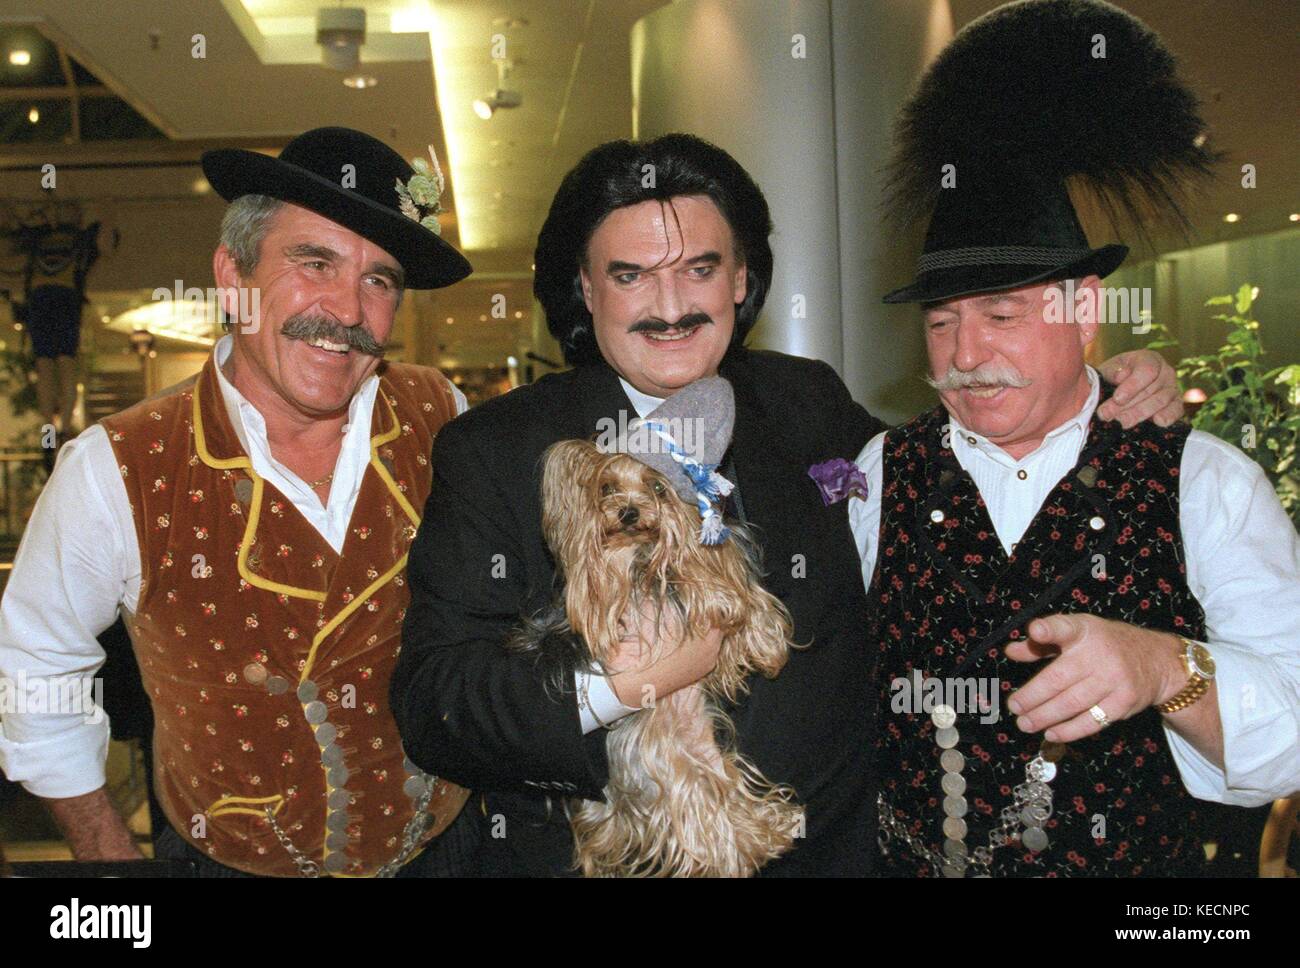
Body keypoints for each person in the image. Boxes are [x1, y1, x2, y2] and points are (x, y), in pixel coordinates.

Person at [391, 132, 1181, 875]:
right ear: (585, 288)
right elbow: (436, 705)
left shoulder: (808, 402)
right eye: (631, 275)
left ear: (742, 278)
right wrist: (621, 682)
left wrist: (1094, 389)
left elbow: (970, 469)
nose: (671, 305)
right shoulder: (495, 449)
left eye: (700, 269)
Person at [851, 0, 1300, 877]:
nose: (967, 353)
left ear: (1083, 311)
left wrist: (1168, 666)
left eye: (1003, 315)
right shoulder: (879, 472)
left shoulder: (1203, 480)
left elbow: (1293, 733)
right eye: (941, 323)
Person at [0, 126, 476, 877]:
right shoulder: (116, 467)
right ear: (233, 274)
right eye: (314, 262)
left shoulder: (440, 412)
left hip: (446, 850)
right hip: (224, 863)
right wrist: (106, 853)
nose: (347, 308)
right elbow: (33, 663)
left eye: (379, 279)